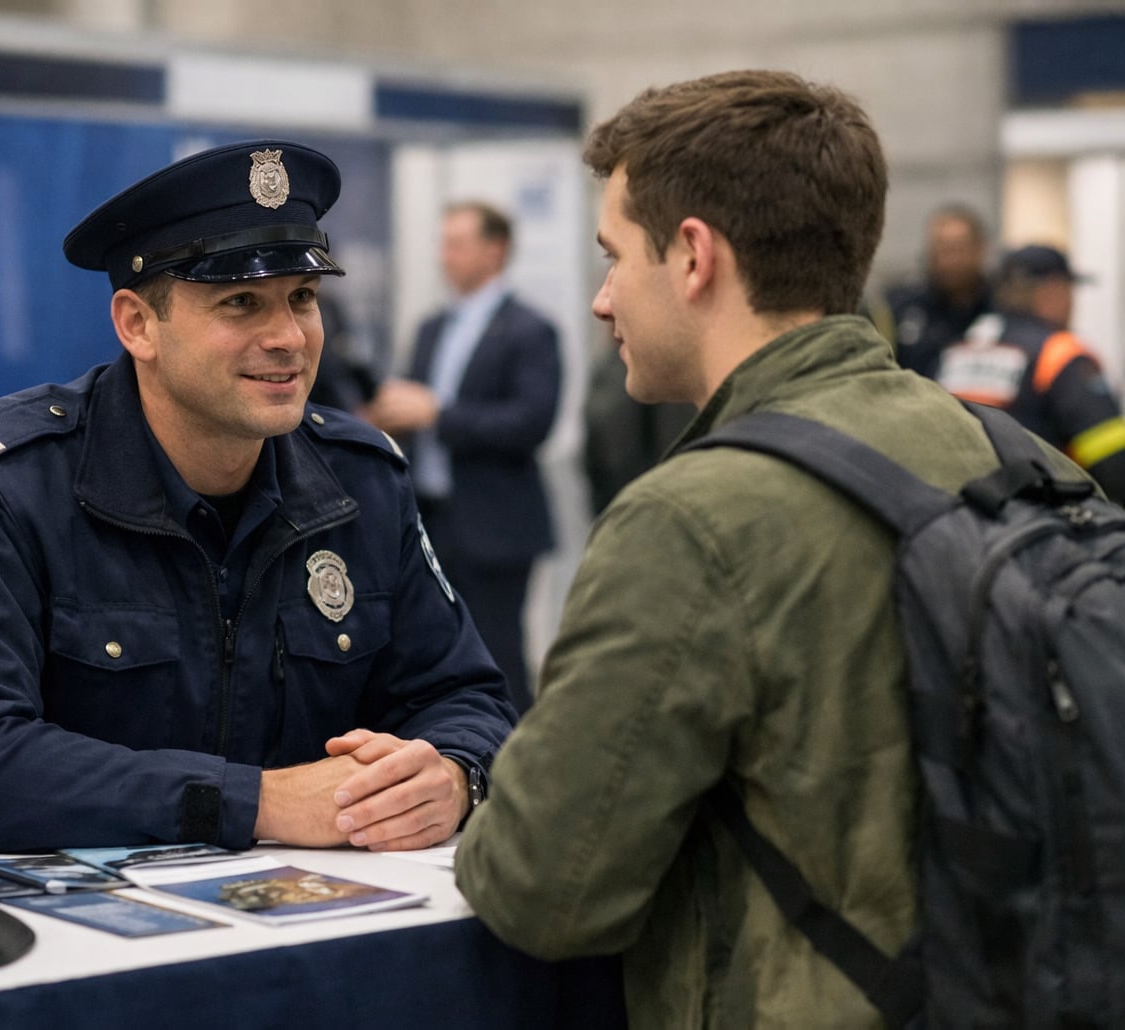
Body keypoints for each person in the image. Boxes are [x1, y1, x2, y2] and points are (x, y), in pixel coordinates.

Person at [452, 70, 1084, 1026]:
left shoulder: (690, 521)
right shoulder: (1019, 456)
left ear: (695, 257)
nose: (602, 298)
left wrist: (471, 805)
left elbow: (545, 888)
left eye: (614, 255)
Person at [0, 140, 515, 854]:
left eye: (302, 298)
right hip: (75, 944)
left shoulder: (360, 481)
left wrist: (453, 776)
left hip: (314, 923)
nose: (288, 338)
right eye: (241, 303)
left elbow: (466, 696)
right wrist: (252, 803)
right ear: (138, 324)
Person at [363, 201, 561, 715]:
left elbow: (531, 422)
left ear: (494, 250)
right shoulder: (432, 326)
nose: (444, 256)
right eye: (443, 243)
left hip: (494, 524)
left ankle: (516, 770)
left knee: (497, 654)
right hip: (429, 519)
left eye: (457, 244)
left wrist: (438, 414)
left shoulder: (529, 330)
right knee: (429, 652)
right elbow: (417, 408)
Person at [932, 243, 1125, 502]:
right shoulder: (1058, 353)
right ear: (1053, 290)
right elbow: (1112, 460)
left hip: (960, 513)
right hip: (1042, 519)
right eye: (1070, 291)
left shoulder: (959, 348)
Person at [870, 203, 993, 378]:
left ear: (979, 249)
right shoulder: (900, 308)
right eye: (941, 250)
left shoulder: (1002, 308)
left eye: (957, 249)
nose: (949, 261)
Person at [581, 328, 691, 514]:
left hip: (656, 496)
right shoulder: (609, 367)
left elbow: (672, 437)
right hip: (618, 494)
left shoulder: (661, 370)